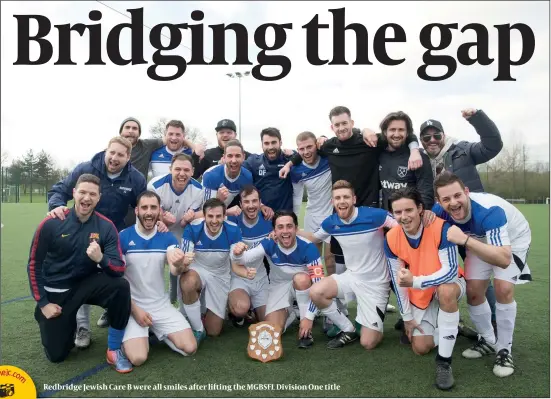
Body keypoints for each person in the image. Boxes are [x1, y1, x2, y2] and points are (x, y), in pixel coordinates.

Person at [280, 106, 422, 312]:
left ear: (352, 123)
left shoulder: (369, 140)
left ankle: (389, 300)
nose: (341, 128)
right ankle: (341, 303)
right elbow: (306, 150)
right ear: (332, 127)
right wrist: (290, 163)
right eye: (337, 125)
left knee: (381, 258)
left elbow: (400, 134)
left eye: (344, 123)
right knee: (340, 257)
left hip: (369, 209)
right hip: (343, 210)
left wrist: (415, 149)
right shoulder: (329, 146)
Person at [27, 174, 133, 373]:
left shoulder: (105, 226)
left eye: (92, 194)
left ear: (99, 197)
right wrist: (43, 303)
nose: (87, 198)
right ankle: (59, 321)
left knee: (121, 287)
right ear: (74, 193)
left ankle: (114, 348)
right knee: (57, 355)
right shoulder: (51, 223)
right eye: (82, 192)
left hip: (86, 285)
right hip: (57, 291)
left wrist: (101, 259)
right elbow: (34, 264)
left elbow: (119, 268)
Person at [432, 172, 532, 378]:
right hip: (478, 238)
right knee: (474, 292)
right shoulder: (438, 212)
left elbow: (503, 258)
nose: (453, 202)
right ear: (438, 202)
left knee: (504, 289)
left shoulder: (489, 211)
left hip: (512, 240)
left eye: (457, 195)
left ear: (467, 192)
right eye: (446, 199)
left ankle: (504, 349)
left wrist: (465, 241)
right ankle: (488, 340)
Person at [47, 136, 147, 341]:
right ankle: (83, 327)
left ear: (128, 158)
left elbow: (144, 204)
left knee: (118, 272)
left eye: (121, 154)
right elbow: (60, 190)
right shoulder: (85, 169)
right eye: (112, 152)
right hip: (84, 230)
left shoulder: (135, 178)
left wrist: (156, 221)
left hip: (113, 233)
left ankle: (111, 309)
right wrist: (56, 205)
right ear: (106, 151)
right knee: (82, 273)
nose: (114, 158)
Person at [420, 108, 504, 335]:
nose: (432, 140)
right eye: (426, 137)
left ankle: (493, 323)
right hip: (438, 223)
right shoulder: (418, 159)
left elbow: (493, 145)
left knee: (479, 276)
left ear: (444, 135)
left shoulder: (462, 150)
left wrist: (478, 118)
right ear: (421, 141)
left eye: (436, 135)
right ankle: (441, 319)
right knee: (436, 270)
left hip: (470, 223)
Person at [384, 187, 464, 390]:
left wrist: (416, 282)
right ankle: (452, 328)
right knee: (420, 348)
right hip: (420, 292)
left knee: (445, 291)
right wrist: (406, 316)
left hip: (449, 283)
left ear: (420, 208)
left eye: (408, 210)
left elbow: (450, 272)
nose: (404, 216)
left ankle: (444, 363)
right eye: (398, 212)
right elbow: (397, 279)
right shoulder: (391, 237)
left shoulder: (441, 228)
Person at [303, 180, 398, 350]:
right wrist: (291, 231)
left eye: (346, 197)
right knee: (316, 292)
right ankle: (348, 329)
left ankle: (371, 322)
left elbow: (403, 226)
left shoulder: (376, 216)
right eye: (337, 198)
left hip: (376, 284)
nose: (342, 201)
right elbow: (313, 238)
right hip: (351, 277)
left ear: (354, 199)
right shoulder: (331, 223)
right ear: (333, 202)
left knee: (368, 343)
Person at [120, 191, 197, 365]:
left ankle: (156, 331)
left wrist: (180, 263)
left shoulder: (167, 237)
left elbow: (175, 269)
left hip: (160, 305)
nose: (149, 212)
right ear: (137, 211)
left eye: (153, 207)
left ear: (159, 211)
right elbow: (116, 280)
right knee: (139, 359)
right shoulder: (123, 237)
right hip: (132, 306)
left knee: (190, 347)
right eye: (144, 207)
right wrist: (134, 310)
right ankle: (134, 331)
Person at [231, 210, 325, 349]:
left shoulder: (309, 247)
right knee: (272, 330)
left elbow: (319, 287)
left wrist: (308, 318)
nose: (285, 231)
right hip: (279, 286)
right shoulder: (269, 242)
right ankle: (291, 314)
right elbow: (245, 258)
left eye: (289, 226)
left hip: (302, 285)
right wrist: (237, 253)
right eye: (280, 227)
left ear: (296, 228)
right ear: (274, 230)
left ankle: (306, 331)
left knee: (301, 279)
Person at [179, 198, 247, 340]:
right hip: (198, 270)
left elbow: (236, 261)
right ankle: (198, 329)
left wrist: (238, 252)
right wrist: (183, 262)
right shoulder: (193, 228)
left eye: (218, 216)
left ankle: (201, 312)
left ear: (224, 216)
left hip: (220, 275)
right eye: (210, 216)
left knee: (214, 331)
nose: (214, 220)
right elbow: (183, 266)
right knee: (188, 281)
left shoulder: (233, 230)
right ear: (204, 216)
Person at [148, 153, 205, 304]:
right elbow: (148, 213)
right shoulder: (155, 185)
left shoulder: (199, 189)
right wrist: (161, 219)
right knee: (154, 267)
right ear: (170, 169)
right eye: (177, 169)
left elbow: (191, 220)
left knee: (181, 267)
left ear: (192, 171)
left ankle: (179, 302)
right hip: (158, 231)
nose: (182, 174)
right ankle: (155, 301)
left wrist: (189, 218)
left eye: (186, 170)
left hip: (182, 232)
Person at [227, 185, 273, 325]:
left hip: (260, 278)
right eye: (246, 202)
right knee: (240, 308)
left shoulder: (269, 219)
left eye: (254, 201)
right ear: (240, 204)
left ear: (260, 203)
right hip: (239, 277)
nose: (251, 205)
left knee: (267, 320)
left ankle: (253, 309)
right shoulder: (232, 221)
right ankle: (237, 313)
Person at [378, 111, 434, 211]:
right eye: (392, 130)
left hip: (410, 218)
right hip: (387, 219)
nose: (396, 134)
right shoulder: (378, 153)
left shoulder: (418, 157)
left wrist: (420, 215)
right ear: (385, 132)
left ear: (407, 133)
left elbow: (426, 193)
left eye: (401, 130)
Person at [243, 127, 296, 213]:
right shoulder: (254, 161)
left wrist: (322, 138)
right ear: (262, 145)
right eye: (266, 143)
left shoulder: (289, 159)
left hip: (283, 218)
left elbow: (305, 153)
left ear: (280, 143)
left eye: (273, 142)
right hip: (261, 215)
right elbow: (236, 170)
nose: (270, 147)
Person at [202, 140, 253, 216]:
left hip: (226, 211)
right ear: (224, 158)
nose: (234, 160)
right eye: (230, 156)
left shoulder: (247, 176)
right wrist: (218, 199)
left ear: (243, 157)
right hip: (204, 213)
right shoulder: (211, 175)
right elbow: (205, 213)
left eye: (237, 156)